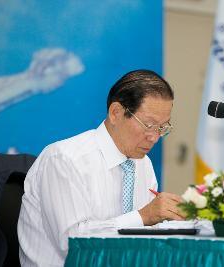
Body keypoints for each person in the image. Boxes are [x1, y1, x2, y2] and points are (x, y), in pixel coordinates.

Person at [17, 69, 185, 266]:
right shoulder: (64, 159)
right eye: (149, 124)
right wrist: (143, 216)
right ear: (116, 113)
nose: (155, 137)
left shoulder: (142, 163)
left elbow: (144, 234)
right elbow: (72, 243)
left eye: (162, 128)